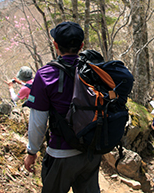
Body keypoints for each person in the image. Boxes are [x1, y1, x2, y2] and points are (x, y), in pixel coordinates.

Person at [23, 21, 102, 193]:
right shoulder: (94, 71)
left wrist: (32, 151)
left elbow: (38, 121)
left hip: (61, 154)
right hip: (91, 153)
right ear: (81, 45)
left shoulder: (45, 75)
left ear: (56, 45)